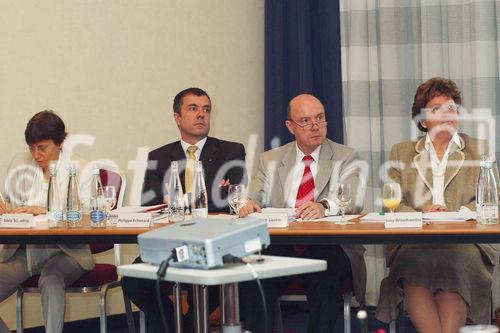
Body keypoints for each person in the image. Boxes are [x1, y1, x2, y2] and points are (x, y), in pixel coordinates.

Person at [376, 77, 499, 332]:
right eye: (436, 109)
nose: (446, 114)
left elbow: (492, 200)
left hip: (464, 243)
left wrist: (459, 214)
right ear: (423, 120)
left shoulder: (478, 149)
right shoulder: (401, 152)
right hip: (415, 240)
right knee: (413, 266)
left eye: (451, 108)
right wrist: (423, 216)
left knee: (454, 265)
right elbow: (392, 202)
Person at [121, 87, 246, 333]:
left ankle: (188, 327)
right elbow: (154, 206)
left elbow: (231, 201)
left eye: (206, 109)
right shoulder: (157, 156)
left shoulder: (231, 151)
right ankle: (177, 325)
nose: (201, 114)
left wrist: (182, 202)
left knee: (217, 278)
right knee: (134, 281)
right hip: (171, 244)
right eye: (193, 109)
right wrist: (209, 196)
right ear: (177, 117)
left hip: (214, 245)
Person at [239, 94, 366, 333]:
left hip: (328, 245)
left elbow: (353, 200)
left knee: (326, 275)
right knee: (254, 276)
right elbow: (254, 198)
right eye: (305, 121)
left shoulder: (345, 156)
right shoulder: (271, 159)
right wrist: (248, 206)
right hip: (281, 245)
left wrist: (324, 206)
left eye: (320, 118)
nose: (315, 126)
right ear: (290, 126)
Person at [0, 110, 94, 333]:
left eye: (42, 148)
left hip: (66, 251)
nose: (36, 155)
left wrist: (43, 211)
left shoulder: (81, 168)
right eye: (31, 148)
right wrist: (7, 210)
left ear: (61, 142)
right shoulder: (20, 163)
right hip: (24, 252)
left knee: (51, 278)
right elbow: (10, 202)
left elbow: (87, 217)